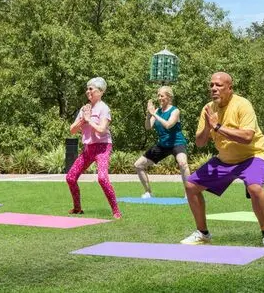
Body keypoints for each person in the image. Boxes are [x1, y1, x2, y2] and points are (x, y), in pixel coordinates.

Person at [181, 72, 264, 248]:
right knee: (191, 186)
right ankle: (203, 233)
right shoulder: (208, 109)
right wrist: (208, 127)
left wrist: (217, 126)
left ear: (230, 88)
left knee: (255, 188)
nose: (213, 88)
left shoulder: (242, 104)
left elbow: (247, 137)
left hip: (253, 155)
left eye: (218, 85)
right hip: (225, 159)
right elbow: (200, 143)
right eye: (211, 85)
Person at [66, 77, 122, 219]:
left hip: (103, 147)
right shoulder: (84, 109)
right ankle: (77, 208)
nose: (88, 91)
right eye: (87, 89)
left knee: (102, 178)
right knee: (70, 177)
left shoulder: (104, 108)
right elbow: (72, 130)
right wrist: (82, 119)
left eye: (91, 89)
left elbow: (101, 130)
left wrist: (89, 119)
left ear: (100, 91)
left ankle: (116, 211)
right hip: (88, 149)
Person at [134, 86, 190, 198]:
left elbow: (168, 125)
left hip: (177, 143)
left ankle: (189, 193)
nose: (159, 98)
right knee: (138, 165)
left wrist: (154, 114)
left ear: (169, 97)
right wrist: (149, 115)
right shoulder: (157, 111)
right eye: (158, 95)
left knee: (183, 163)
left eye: (162, 96)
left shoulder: (175, 111)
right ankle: (148, 192)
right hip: (163, 145)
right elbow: (148, 127)